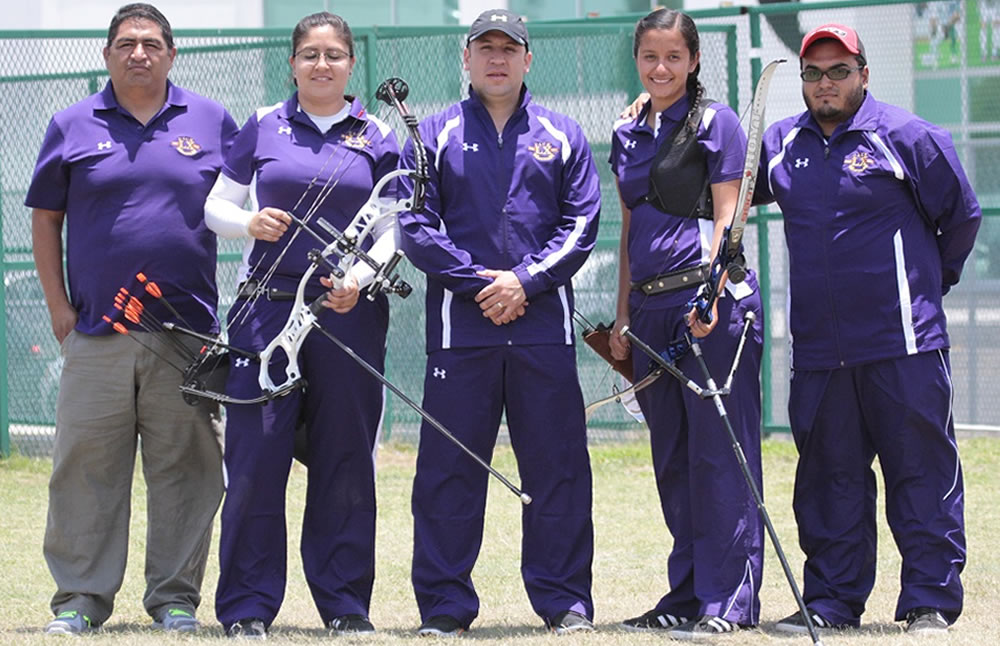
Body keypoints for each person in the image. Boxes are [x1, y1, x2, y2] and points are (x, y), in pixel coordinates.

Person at [755, 23, 980, 635]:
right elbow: (720, 183)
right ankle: (830, 603)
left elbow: (960, 216)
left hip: (903, 344)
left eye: (838, 71)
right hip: (821, 353)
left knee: (921, 472)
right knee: (829, 481)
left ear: (863, 73)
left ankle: (928, 600)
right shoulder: (780, 145)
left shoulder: (908, 137)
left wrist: (933, 284)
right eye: (813, 73)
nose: (825, 84)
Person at [25, 3, 235, 635]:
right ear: (107, 54)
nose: (138, 52)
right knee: (85, 469)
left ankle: (175, 598)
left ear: (172, 53)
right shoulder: (71, 124)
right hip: (97, 334)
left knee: (188, 471)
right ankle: (81, 601)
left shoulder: (212, 120)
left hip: (187, 335)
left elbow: (249, 204)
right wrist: (59, 307)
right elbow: (45, 219)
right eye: (125, 43)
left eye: (150, 42)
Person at [397, 8, 600, 637]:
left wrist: (527, 281)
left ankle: (565, 602)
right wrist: (481, 282)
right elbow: (413, 223)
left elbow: (582, 224)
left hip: (543, 331)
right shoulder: (432, 133)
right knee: (448, 471)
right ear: (466, 58)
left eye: (509, 49)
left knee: (557, 468)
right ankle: (445, 608)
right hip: (463, 335)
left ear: (527, 59)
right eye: (484, 48)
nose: (497, 59)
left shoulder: (563, 134)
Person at [204, 11, 400, 640]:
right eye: (310, 55)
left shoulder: (380, 134)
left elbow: (396, 226)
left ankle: (345, 605)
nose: (322, 65)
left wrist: (361, 279)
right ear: (292, 63)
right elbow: (216, 205)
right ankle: (246, 608)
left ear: (350, 65)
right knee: (257, 459)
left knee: (346, 457)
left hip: (348, 313)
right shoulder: (262, 124)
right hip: (265, 312)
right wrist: (248, 224)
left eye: (334, 55)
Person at [607, 9, 764, 640]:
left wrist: (712, 296)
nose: (661, 68)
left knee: (719, 456)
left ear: (693, 60)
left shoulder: (714, 123)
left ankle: (730, 602)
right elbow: (627, 229)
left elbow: (730, 215)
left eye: (674, 57)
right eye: (650, 57)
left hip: (708, 308)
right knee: (672, 458)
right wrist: (622, 314)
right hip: (646, 309)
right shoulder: (626, 130)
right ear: (638, 60)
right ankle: (689, 592)